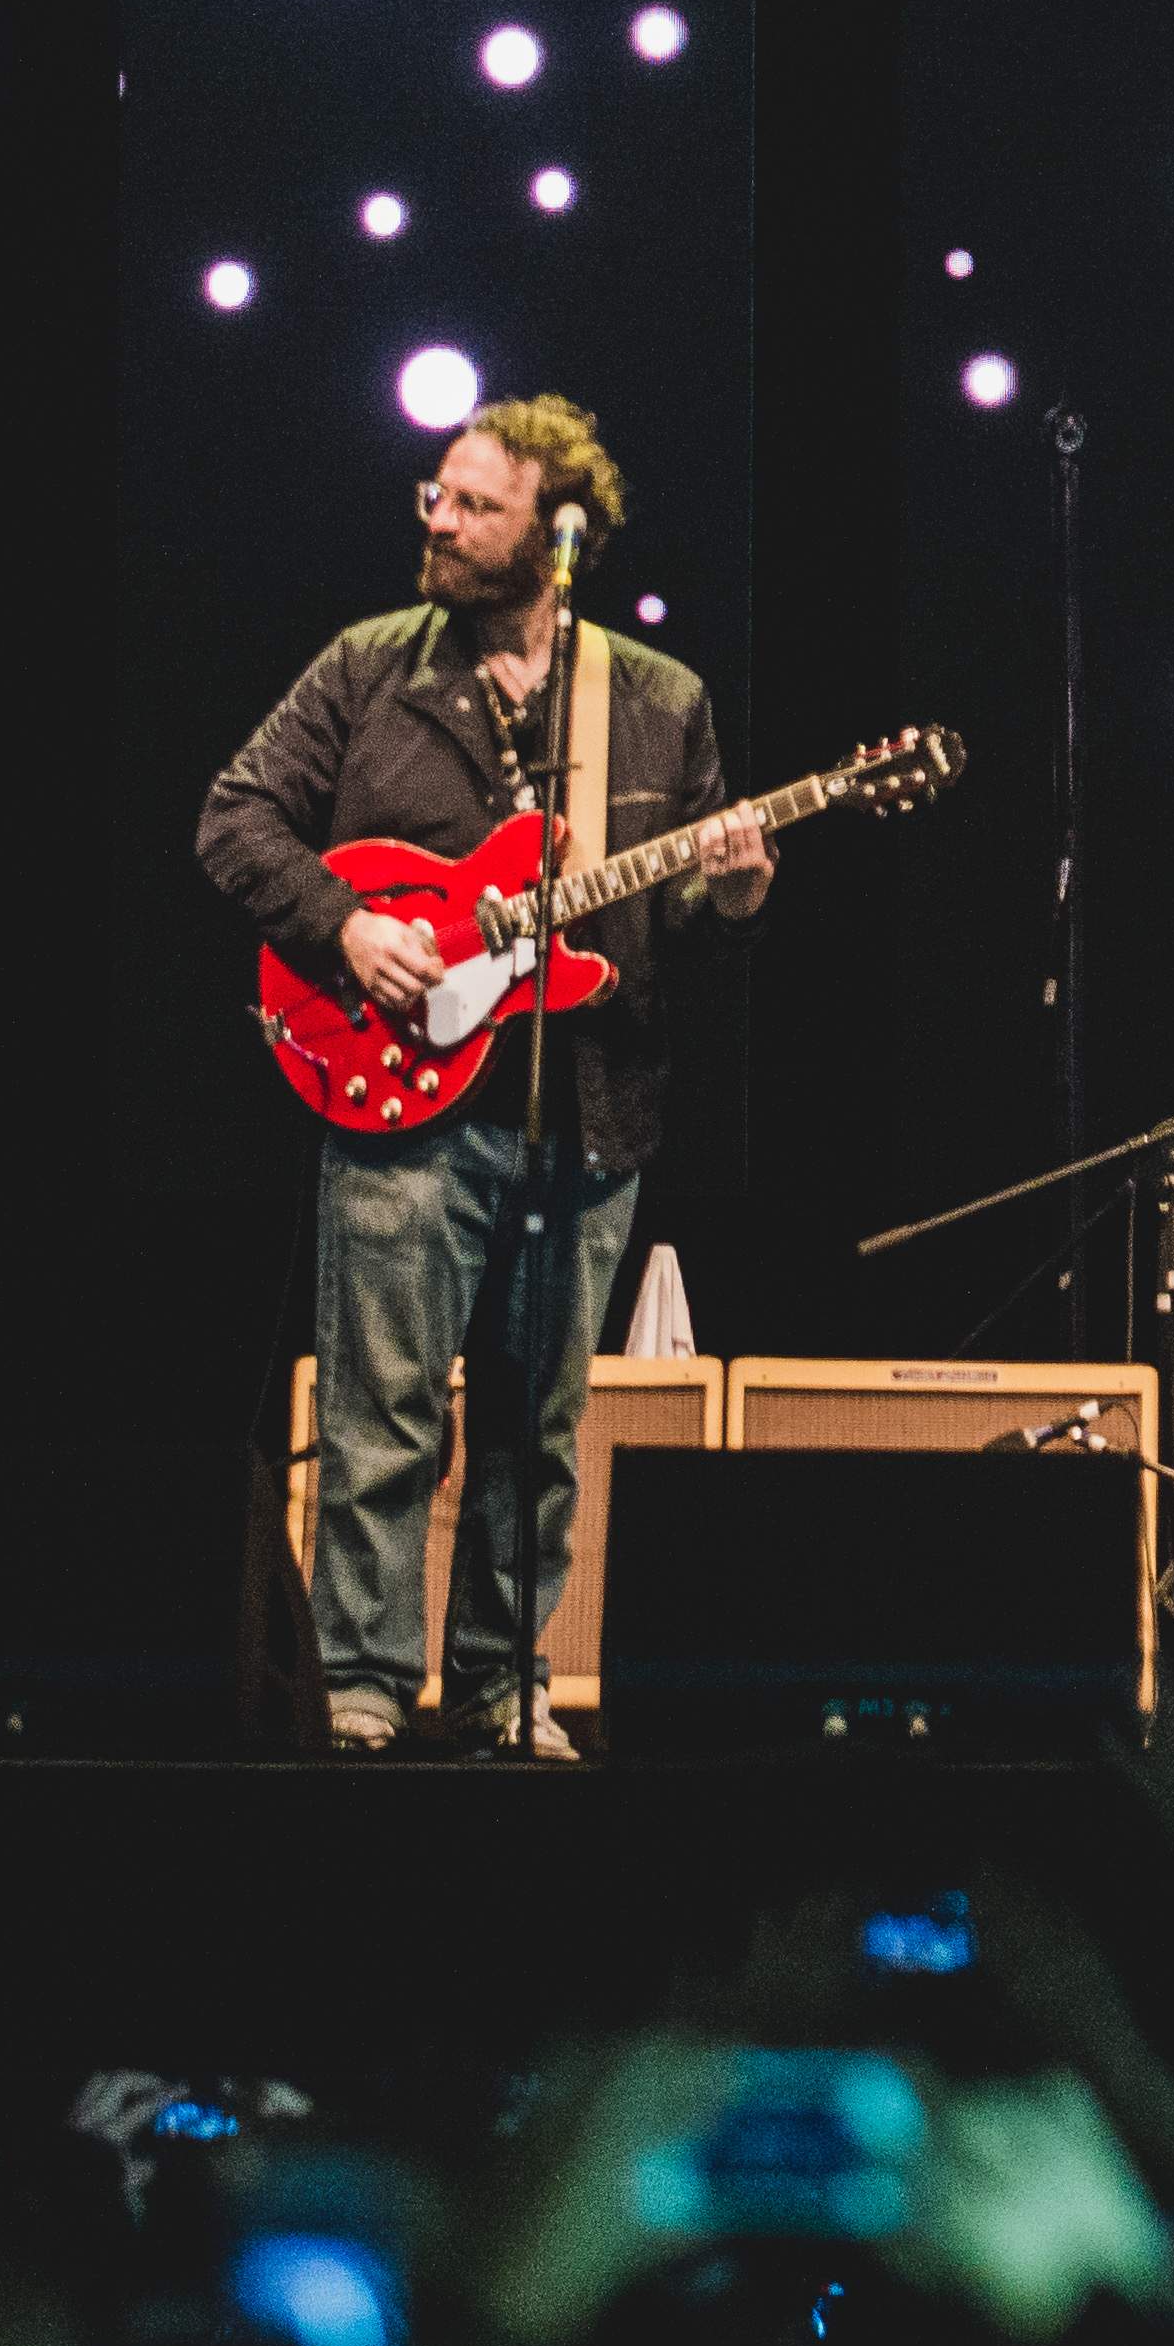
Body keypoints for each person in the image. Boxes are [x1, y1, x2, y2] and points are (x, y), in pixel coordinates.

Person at [196, 394, 770, 1755]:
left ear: (557, 533)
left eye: (471, 505)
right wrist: (345, 926)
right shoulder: (370, 666)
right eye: (434, 495)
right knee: (378, 1408)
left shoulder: (656, 699)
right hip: (398, 1099)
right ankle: (362, 1687)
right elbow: (233, 818)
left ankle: (507, 1683)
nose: (436, 522)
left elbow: (671, 922)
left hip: (587, 1109)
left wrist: (732, 890)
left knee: (539, 1425)